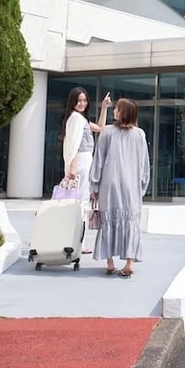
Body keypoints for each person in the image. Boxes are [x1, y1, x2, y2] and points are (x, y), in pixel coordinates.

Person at [89, 97, 150, 277]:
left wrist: (94, 185)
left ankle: (110, 262)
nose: (114, 110)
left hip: (110, 183)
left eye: (117, 108)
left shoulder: (107, 132)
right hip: (131, 185)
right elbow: (144, 164)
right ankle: (130, 262)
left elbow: (99, 160)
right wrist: (142, 185)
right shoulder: (139, 134)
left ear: (123, 112)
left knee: (108, 220)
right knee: (130, 221)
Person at [61, 86, 111, 253]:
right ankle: (79, 243)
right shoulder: (76, 119)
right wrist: (73, 167)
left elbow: (101, 128)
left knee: (81, 202)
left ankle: (77, 241)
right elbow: (74, 145)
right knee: (81, 202)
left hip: (84, 162)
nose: (82, 103)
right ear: (72, 102)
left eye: (84, 100)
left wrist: (104, 107)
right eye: (79, 100)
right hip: (81, 163)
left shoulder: (79, 119)